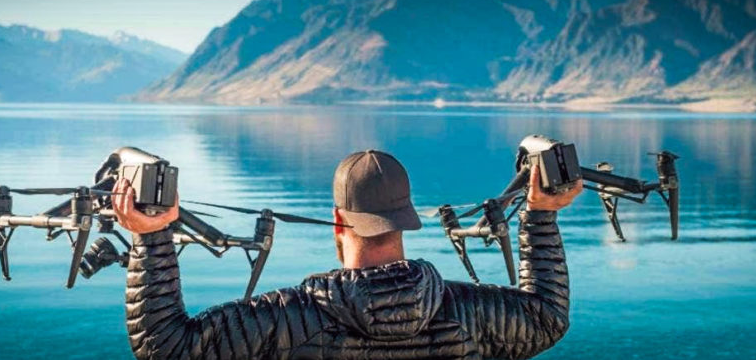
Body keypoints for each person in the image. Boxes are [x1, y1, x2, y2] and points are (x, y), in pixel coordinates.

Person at [112, 149, 582, 360]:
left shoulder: (287, 319)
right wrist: (539, 216)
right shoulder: (469, 312)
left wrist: (151, 239)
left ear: (338, 221)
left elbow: (165, 346)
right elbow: (547, 317)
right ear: (405, 218)